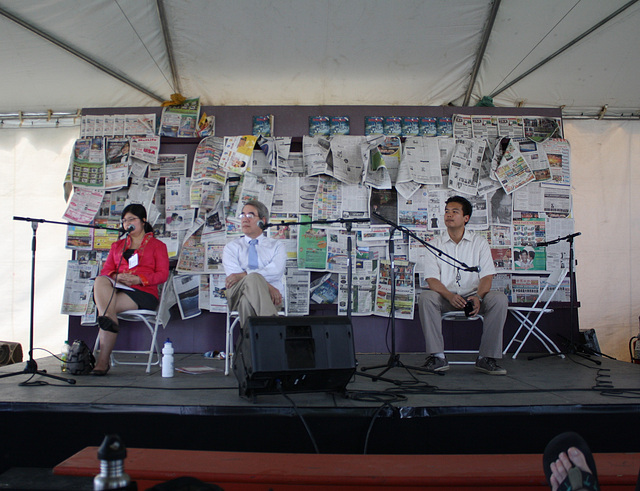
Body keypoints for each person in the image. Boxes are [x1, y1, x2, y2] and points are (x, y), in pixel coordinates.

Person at [417, 196, 508, 375]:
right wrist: (449, 296)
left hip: (474, 297)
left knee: (499, 299)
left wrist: (479, 297)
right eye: (447, 212)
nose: (449, 215)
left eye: (455, 212)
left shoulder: (479, 243)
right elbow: (432, 279)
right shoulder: (435, 244)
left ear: (466, 218)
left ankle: (486, 358)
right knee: (426, 297)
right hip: (446, 297)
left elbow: (487, 276)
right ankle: (438, 357)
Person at [92, 204, 170, 375]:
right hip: (118, 289)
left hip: (143, 293)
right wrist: (116, 277)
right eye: (125, 221)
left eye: (131, 219)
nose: (127, 223)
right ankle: (103, 356)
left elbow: (163, 274)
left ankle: (102, 362)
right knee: (100, 280)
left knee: (105, 311)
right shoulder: (117, 246)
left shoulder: (158, 246)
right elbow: (106, 271)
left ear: (143, 221)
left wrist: (139, 279)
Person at [222, 200, 286, 329]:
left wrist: (244, 274)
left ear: (262, 221)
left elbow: (276, 271)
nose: (245, 220)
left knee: (246, 302)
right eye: (242, 215)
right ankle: (273, 330)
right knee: (252, 278)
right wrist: (269, 287)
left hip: (271, 299)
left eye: (250, 216)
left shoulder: (276, 246)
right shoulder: (231, 247)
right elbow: (234, 278)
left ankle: (251, 347)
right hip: (238, 294)